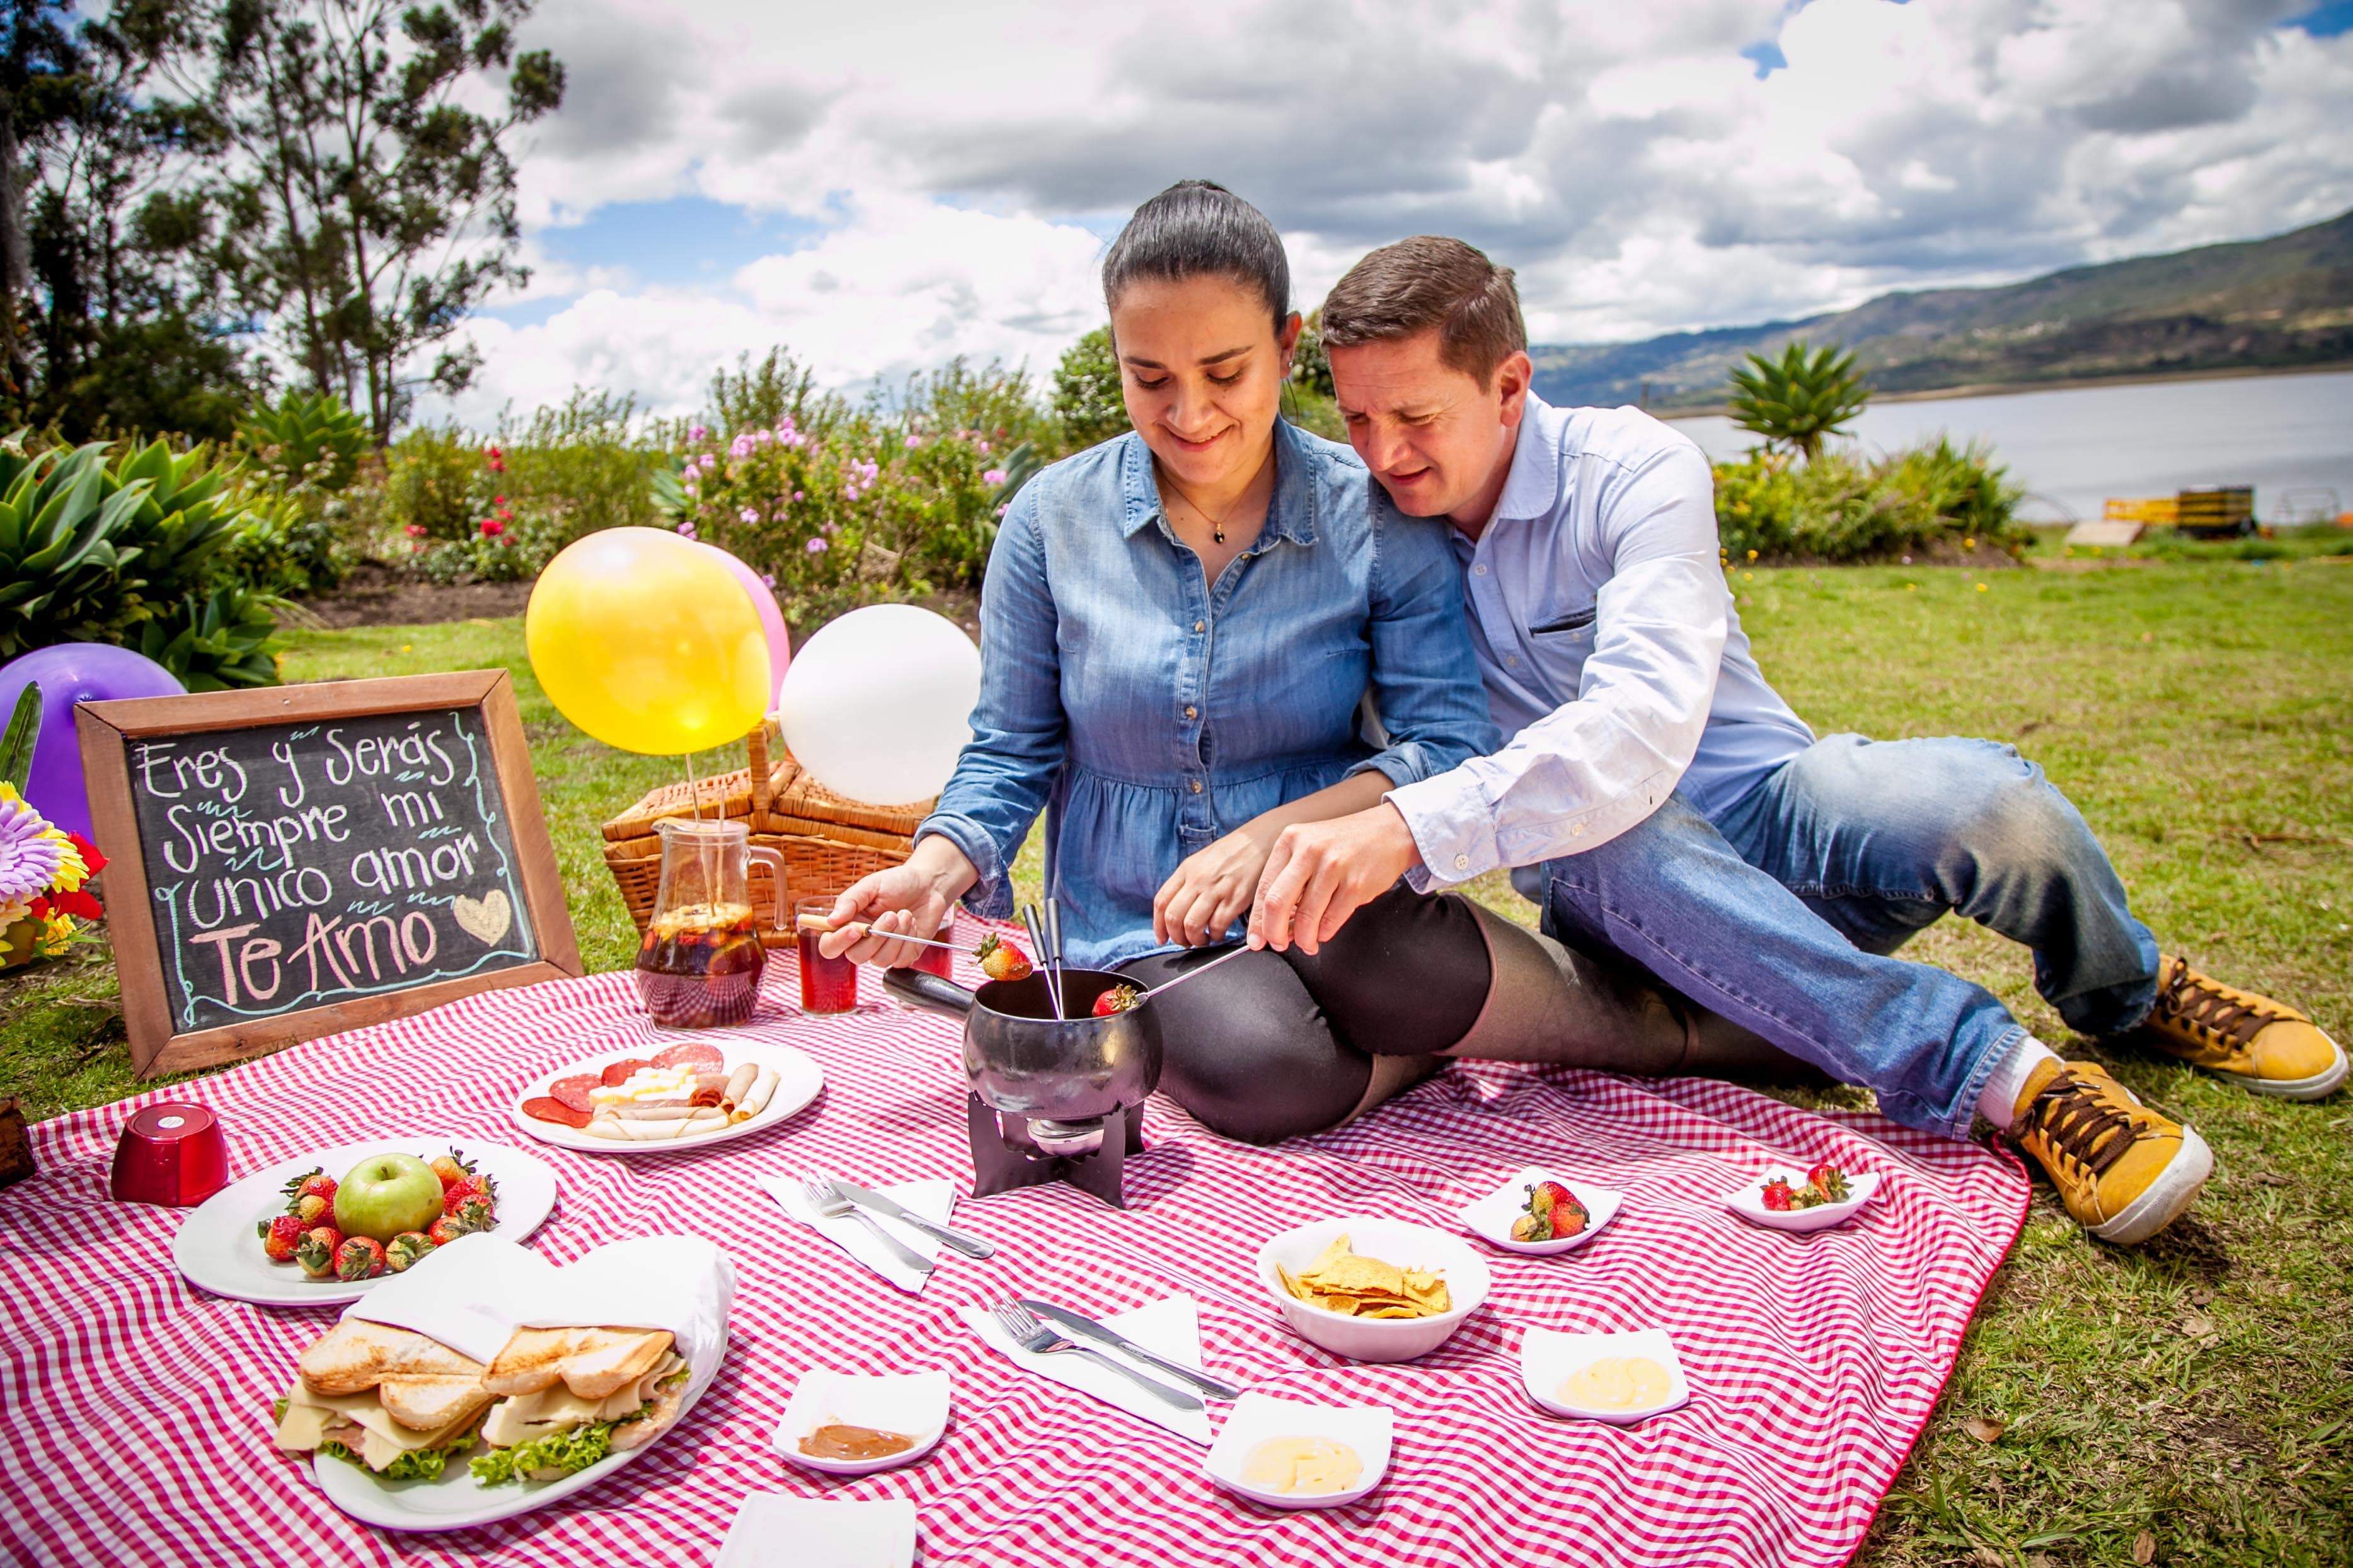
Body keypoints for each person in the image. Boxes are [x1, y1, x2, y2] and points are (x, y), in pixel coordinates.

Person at [1245, 234, 2345, 1245]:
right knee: (1590, 834)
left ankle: (2130, 991)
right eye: (1355, 421)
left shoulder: (1636, 470)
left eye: (1416, 418)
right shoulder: (1372, 537)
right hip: (1631, 902)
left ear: (1509, 384)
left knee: (1980, 796)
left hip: (1776, 814)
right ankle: (2005, 1077)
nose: (1384, 454)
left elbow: (1637, 726)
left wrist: (1407, 829)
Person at [820, 183, 1800, 1143]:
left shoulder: (1371, 511)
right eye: (1148, 377)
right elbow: (1012, 748)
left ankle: (1690, 1035)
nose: (1189, 413)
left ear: (1287, 349)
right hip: (1138, 926)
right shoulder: (1048, 521)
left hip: (1334, 895)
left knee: (1381, 961)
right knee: (1265, 1073)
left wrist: (1270, 838)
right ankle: (1460, 1042)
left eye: (1224, 371)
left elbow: (1443, 739)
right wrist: (935, 870)